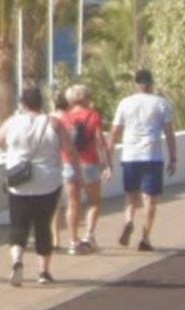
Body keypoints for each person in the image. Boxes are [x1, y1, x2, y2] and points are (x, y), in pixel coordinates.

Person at [4, 87, 75, 285]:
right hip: (48, 183)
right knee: (42, 226)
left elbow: (1, 141)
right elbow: (68, 148)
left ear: (23, 103)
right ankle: (43, 272)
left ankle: (17, 259)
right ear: (41, 102)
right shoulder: (54, 123)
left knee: (18, 225)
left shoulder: (12, 122)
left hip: (19, 182)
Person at [112, 69, 177, 252]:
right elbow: (169, 133)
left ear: (136, 84)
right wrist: (173, 158)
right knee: (150, 199)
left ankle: (129, 221)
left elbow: (116, 131)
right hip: (152, 156)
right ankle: (145, 238)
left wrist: (109, 153)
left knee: (131, 195)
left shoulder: (125, 103)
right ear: (151, 84)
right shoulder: (161, 103)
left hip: (130, 155)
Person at [59, 85, 112, 255]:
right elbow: (100, 141)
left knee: (73, 204)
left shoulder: (64, 118)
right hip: (89, 163)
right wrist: (107, 164)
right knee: (94, 202)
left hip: (69, 164)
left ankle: (73, 241)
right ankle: (89, 236)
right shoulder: (93, 116)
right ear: (86, 98)